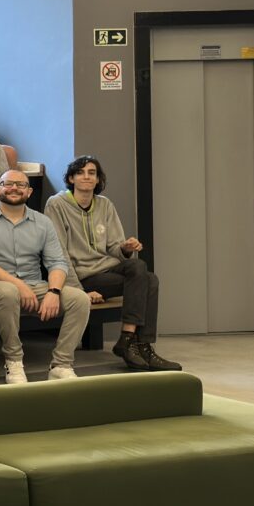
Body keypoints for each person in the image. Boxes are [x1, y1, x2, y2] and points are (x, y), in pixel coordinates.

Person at [46, 156, 180, 372]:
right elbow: (58, 253)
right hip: (83, 277)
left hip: (107, 269)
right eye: (80, 172)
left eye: (92, 173)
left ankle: (128, 339)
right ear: (71, 178)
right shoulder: (56, 204)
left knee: (139, 267)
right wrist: (79, 292)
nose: (86, 177)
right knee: (150, 281)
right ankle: (140, 346)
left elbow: (114, 248)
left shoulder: (105, 204)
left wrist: (125, 248)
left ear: (98, 179)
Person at [0, 168, 91, 384]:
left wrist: (54, 291)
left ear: (29, 191)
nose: (14, 188)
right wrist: (19, 286)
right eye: (8, 184)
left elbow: (57, 262)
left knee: (80, 299)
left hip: (36, 284)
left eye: (21, 185)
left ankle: (61, 365)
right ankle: (14, 362)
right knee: (8, 292)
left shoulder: (43, 222)